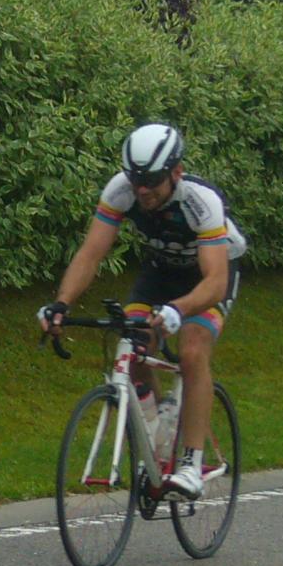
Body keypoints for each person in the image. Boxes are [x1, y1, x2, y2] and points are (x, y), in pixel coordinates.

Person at [38, 123, 246, 501]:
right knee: (133, 342)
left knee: (192, 350)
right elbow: (91, 254)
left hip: (208, 277)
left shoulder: (200, 201)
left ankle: (190, 463)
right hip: (160, 273)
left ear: (176, 172)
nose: (142, 190)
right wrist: (61, 304)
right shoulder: (121, 191)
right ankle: (156, 437)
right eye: (136, 180)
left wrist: (179, 309)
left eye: (150, 180)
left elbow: (215, 281)